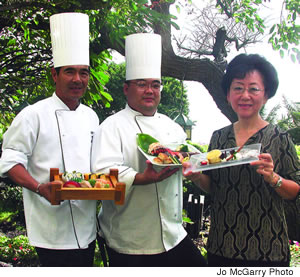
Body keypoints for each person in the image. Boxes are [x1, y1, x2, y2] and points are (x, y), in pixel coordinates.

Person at [91, 33, 206, 267]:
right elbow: (103, 174)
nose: (149, 91)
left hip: (173, 234)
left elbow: (187, 159)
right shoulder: (111, 126)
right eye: (141, 84)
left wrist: (194, 165)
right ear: (126, 88)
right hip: (130, 241)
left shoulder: (173, 127)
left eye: (155, 85)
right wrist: (142, 177)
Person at [0, 13, 99, 266]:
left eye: (83, 73)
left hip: (87, 226)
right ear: (54, 75)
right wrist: (39, 187)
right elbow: (10, 162)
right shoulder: (33, 115)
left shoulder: (91, 117)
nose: (78, 79)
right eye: (70, 72)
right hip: (51, 228)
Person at [183, 53, 300, 267]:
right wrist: (198, 176)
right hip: (221, 246)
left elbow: (295, 191)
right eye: (238, 88)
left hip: (268, 251)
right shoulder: (219, 137)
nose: (245, 95)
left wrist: (274, 178)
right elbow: (214, 188)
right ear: (228, 94)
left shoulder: (280, 138)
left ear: (266, 95)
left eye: (253, 89)